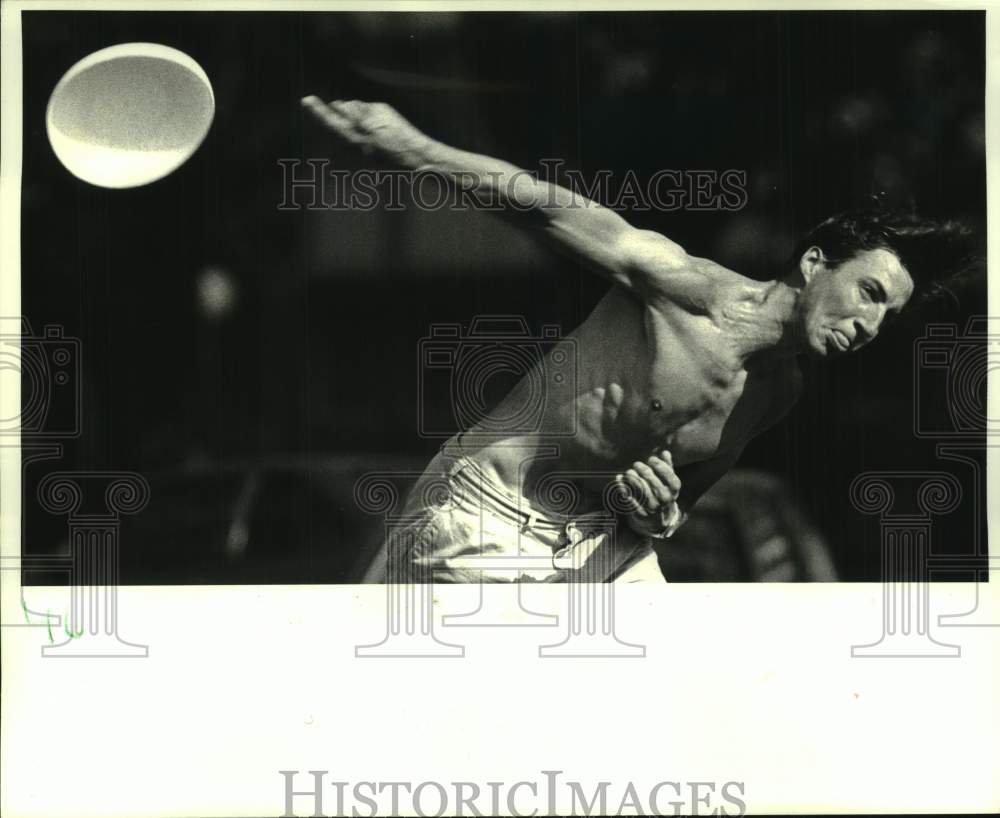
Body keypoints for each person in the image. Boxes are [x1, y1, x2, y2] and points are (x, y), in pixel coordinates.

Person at [301, 96, 977, 584]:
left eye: (890, 317)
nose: (873, 326)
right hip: (486, 516)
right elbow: (540, 206)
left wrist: (656, 511)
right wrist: (411, 148)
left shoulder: (779, 390)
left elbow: (669, 511)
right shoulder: (684, 288)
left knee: (663, 715)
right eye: (870, 294)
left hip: (597, 544)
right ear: (813, 264)